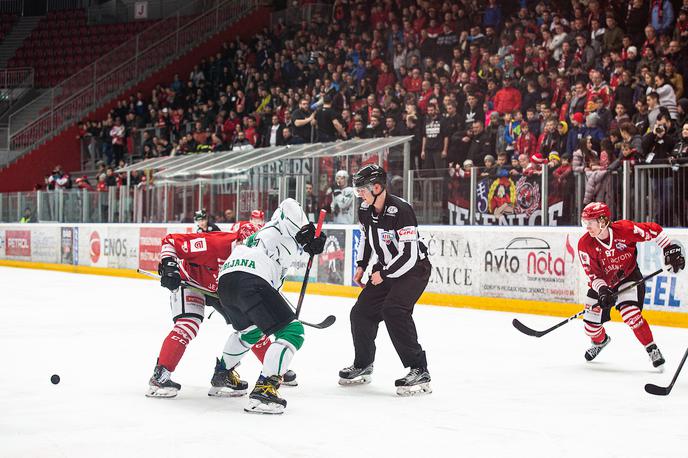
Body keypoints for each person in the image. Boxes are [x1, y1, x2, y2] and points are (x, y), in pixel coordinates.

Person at [147, 223, 298, 397]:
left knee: (250, 326)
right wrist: (169, 266)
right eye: (247, 243)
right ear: (238, 240)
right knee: (188, 324)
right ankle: (160, 375)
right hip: (191, 283)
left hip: (219, 291)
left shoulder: (260, 256)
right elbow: (171, 242)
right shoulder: (216, 243)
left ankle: (267, 369)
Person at [214, 198, 326, 414]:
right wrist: (307, 230)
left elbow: (295, 247)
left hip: (227, 282)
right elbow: (290, 203)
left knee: (250, 331)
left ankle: (222, 374)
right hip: (250, 278)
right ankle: (265, 391)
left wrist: (310, 240)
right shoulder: (279, 225)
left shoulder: (268, 236)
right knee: (293, 331)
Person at [340, 164, 432, 396]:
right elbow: (367, 240)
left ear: (378, 187)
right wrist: (362, 266)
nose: (359, 194)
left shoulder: (401, 210)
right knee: (361, 313)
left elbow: (409, 255)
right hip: (386, 270)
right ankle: (363, 365)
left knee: (394, 310)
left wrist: (385, 273)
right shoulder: (364, 209)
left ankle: (419, 368)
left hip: (413, 270)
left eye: (362, 189)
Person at [577, 202, 685, 368]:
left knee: (631, 315)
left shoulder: (625, 230)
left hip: (628, 277)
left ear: (603, 221)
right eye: (586, 222)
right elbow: (593, 274)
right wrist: (603, 290)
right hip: (603, 285)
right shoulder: (585, 244)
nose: (587, 227)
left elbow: (654, 230)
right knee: (590, 328)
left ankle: (651, 348)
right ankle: (600, 342)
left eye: (590, 222)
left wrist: (668, 247)